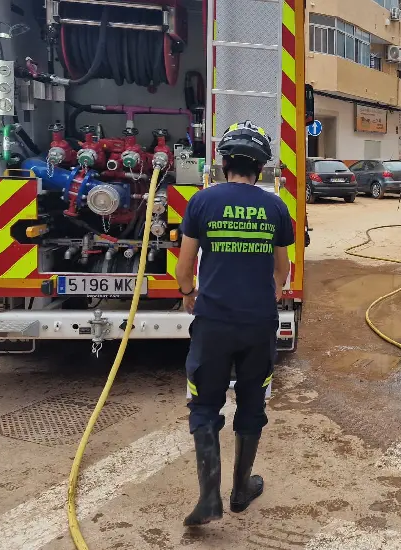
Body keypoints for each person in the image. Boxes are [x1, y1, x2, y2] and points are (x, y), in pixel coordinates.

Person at [176, 120, 295, 525]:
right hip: (258, 322)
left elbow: (185, 265)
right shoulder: (276, 206)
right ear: (261, 167)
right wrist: (269, 294)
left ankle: (209, 497)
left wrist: (189, 294)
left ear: (223, 161)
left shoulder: (202, 202)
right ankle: (241, 491)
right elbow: (283, 269)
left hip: (212, 322)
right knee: (252, 401)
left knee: (205, 403)